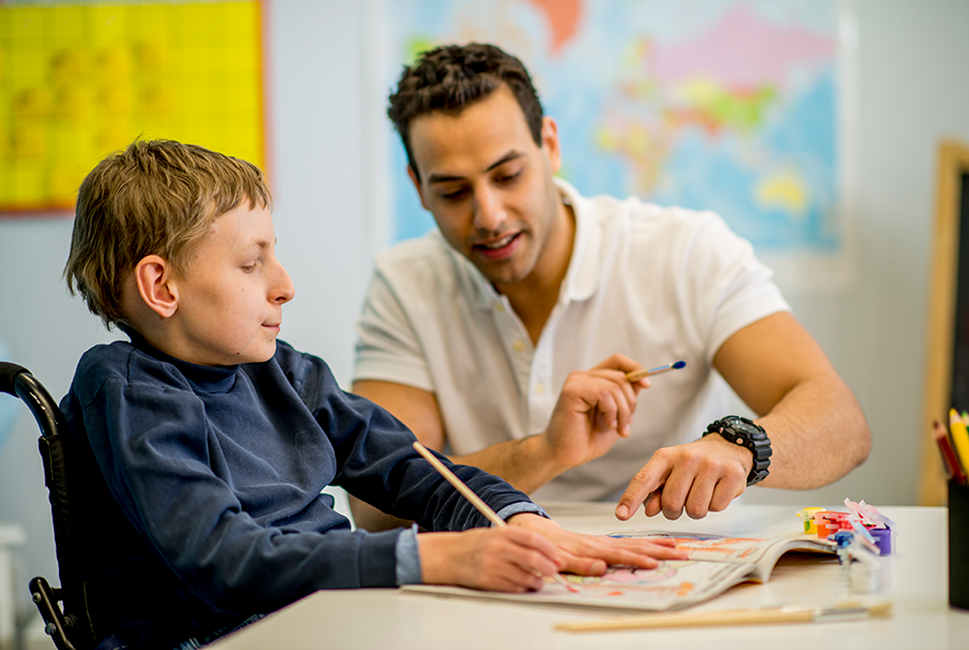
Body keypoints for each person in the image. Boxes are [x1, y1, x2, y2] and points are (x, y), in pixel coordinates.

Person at [59, 139, 682, 649]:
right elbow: (225, 561)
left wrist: (517, 521)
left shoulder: (283, 371)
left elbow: (410, 465)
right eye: (252, 264)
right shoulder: (125, 390)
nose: (285, 285)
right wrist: (440, 559)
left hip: (321, 614)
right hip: (212, 635)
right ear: (160, 286)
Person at [350, 43, 871, 530]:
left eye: (508, 176)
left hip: (668, 566)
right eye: (453, 191)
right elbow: (376, 504)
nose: (489, 215)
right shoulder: (404, 284)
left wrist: (739, 447)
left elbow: (841, 422)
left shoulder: (688, 251)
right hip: (490, 571)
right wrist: (546, 451)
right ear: (419, 188)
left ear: (549, 146)